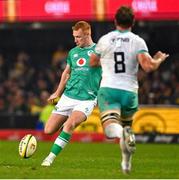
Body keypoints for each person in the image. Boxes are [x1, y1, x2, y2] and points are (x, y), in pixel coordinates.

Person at [90, 6, 169, 174]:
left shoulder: (105, 39)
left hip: (109, 89)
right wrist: (159, 59)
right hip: (129, 91)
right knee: (127, 126)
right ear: (133, 22)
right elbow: (148, 66)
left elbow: (92, 62)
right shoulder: (137, 41)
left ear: (115, 21)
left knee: (111, 129)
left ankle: (122, 134)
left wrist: (104, 60)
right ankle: (126, 164)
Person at [41, 21, 101, 166]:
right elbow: (66, 73)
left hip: (86, 99)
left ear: (88, 34)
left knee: (69, 125)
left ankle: (49, 158)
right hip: (68, 96)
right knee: (48, 130)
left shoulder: (100, 51)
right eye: (74, 36)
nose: (75, 40)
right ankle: (65, 130)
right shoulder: (73, 52)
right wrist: (57, 92)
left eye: (78, 37)